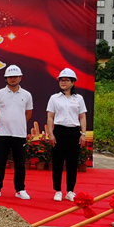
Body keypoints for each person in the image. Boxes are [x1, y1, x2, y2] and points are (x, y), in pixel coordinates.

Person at [0, 64, 33, 200]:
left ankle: (20, 189)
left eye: (15, 76)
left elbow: (28, 113)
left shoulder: (27, 95)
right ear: (6, 78)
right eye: (10, 77)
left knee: (20, 163)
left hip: (19, 134)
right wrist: (3, 123)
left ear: (20, 78)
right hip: (3, 134)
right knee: (0, 162)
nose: (13, 79)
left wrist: (18, 123)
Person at [46, 67, 88, 202]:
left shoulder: (79, 98)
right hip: (59, 131)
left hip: (73, 132)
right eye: (61, 80)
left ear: (73, 82)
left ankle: (70, 191)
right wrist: (51, 134)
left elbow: (82, 117)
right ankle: (57, 190)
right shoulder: (54, 98)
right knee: (57, 162)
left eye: (66, 80)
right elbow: (50, 117)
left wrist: (83, 133)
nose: (63, 82)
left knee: (72, 162)